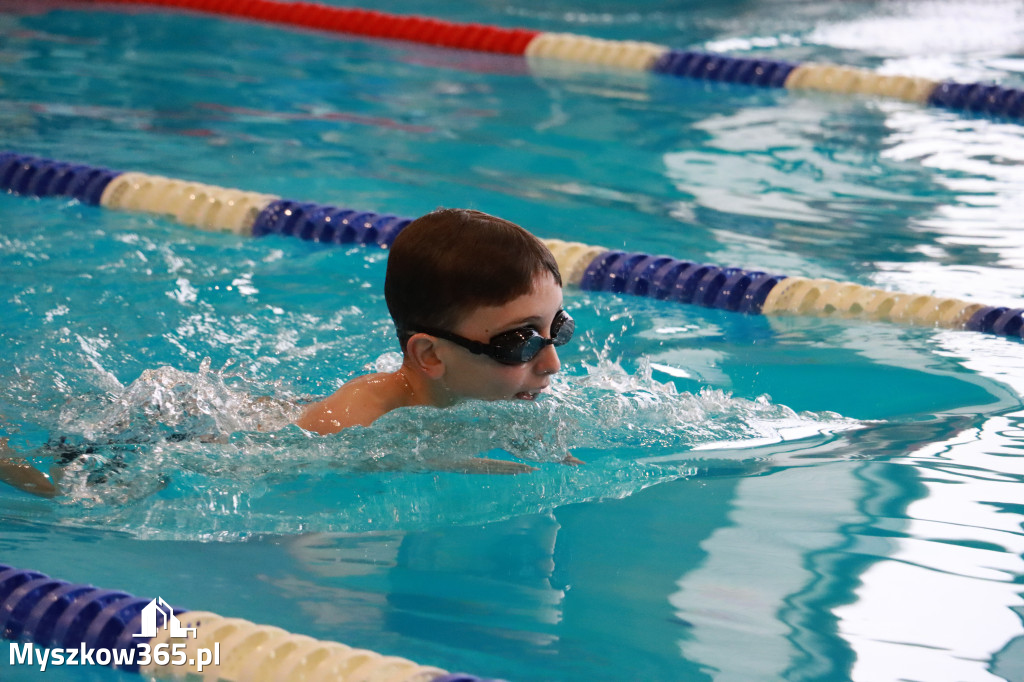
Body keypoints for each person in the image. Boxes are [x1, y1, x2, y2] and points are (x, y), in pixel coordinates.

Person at [295, 207, 574, 434]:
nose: (553, 364)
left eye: (559, 327)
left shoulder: (487, 395)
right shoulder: (353, 420)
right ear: (430, 355)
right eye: (522, 342)